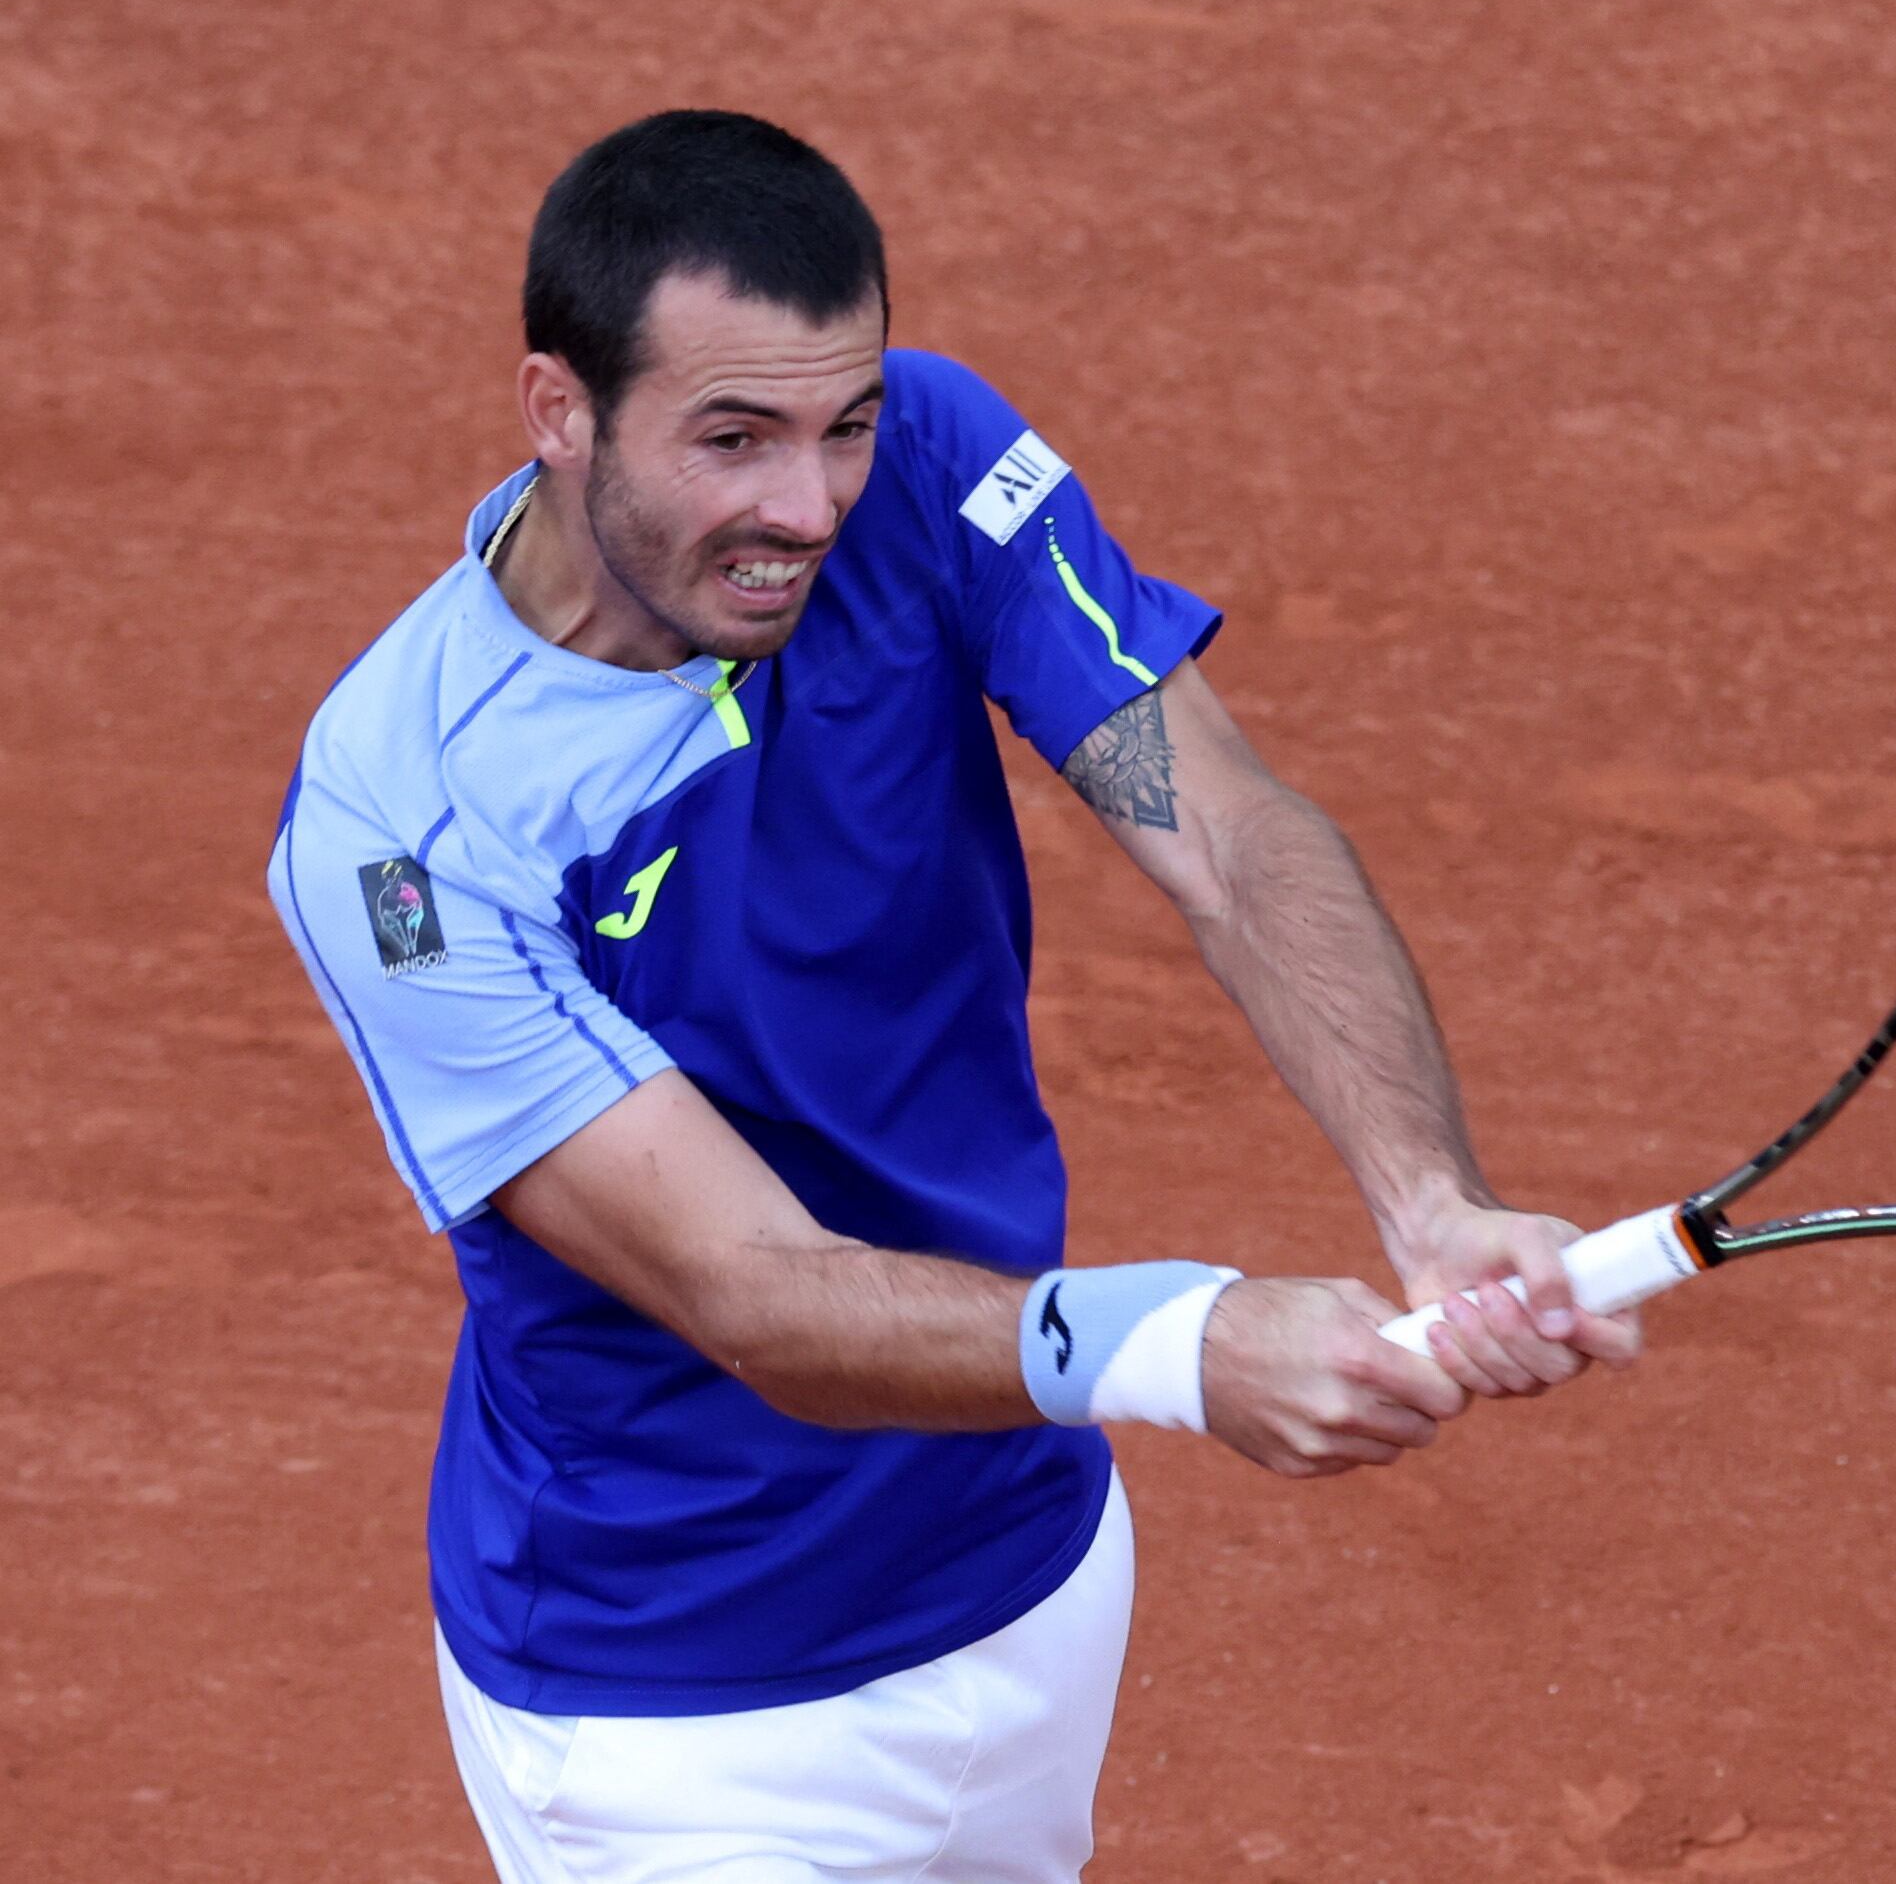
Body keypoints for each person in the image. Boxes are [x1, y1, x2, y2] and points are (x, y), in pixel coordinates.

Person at [266, 109, 1638, 1883]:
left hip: (1027, 1563)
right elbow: (748, 1291)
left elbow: (1221, 828)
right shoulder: (403, 835)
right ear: (559, 411)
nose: (809, 506)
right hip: (683, 1715)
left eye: (842, 427)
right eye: (733, 441)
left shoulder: (929, 456)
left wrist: (1426, 1194)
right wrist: (1174, 1341)